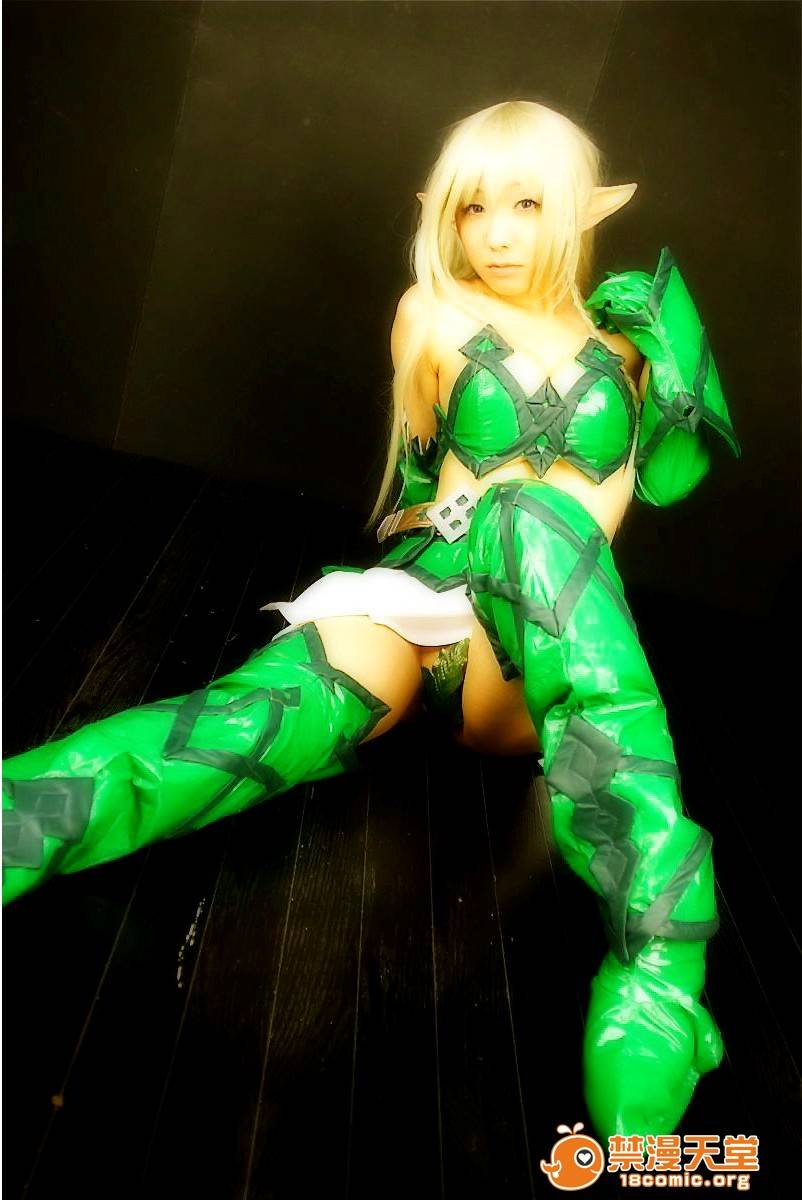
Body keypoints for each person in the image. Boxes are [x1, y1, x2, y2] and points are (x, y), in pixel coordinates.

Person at [2, 100, 741, 1141]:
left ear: (578, 208)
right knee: (253, 719)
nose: (494, 233)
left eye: (526, 204)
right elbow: (420, 482)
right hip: (419, 604)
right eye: (471, 207)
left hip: (539, 654)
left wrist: (514, 521)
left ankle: (660, 959)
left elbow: (603, 521)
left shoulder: (638, 349)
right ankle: (18, 819)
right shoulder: (430, 315)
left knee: (533, 517)